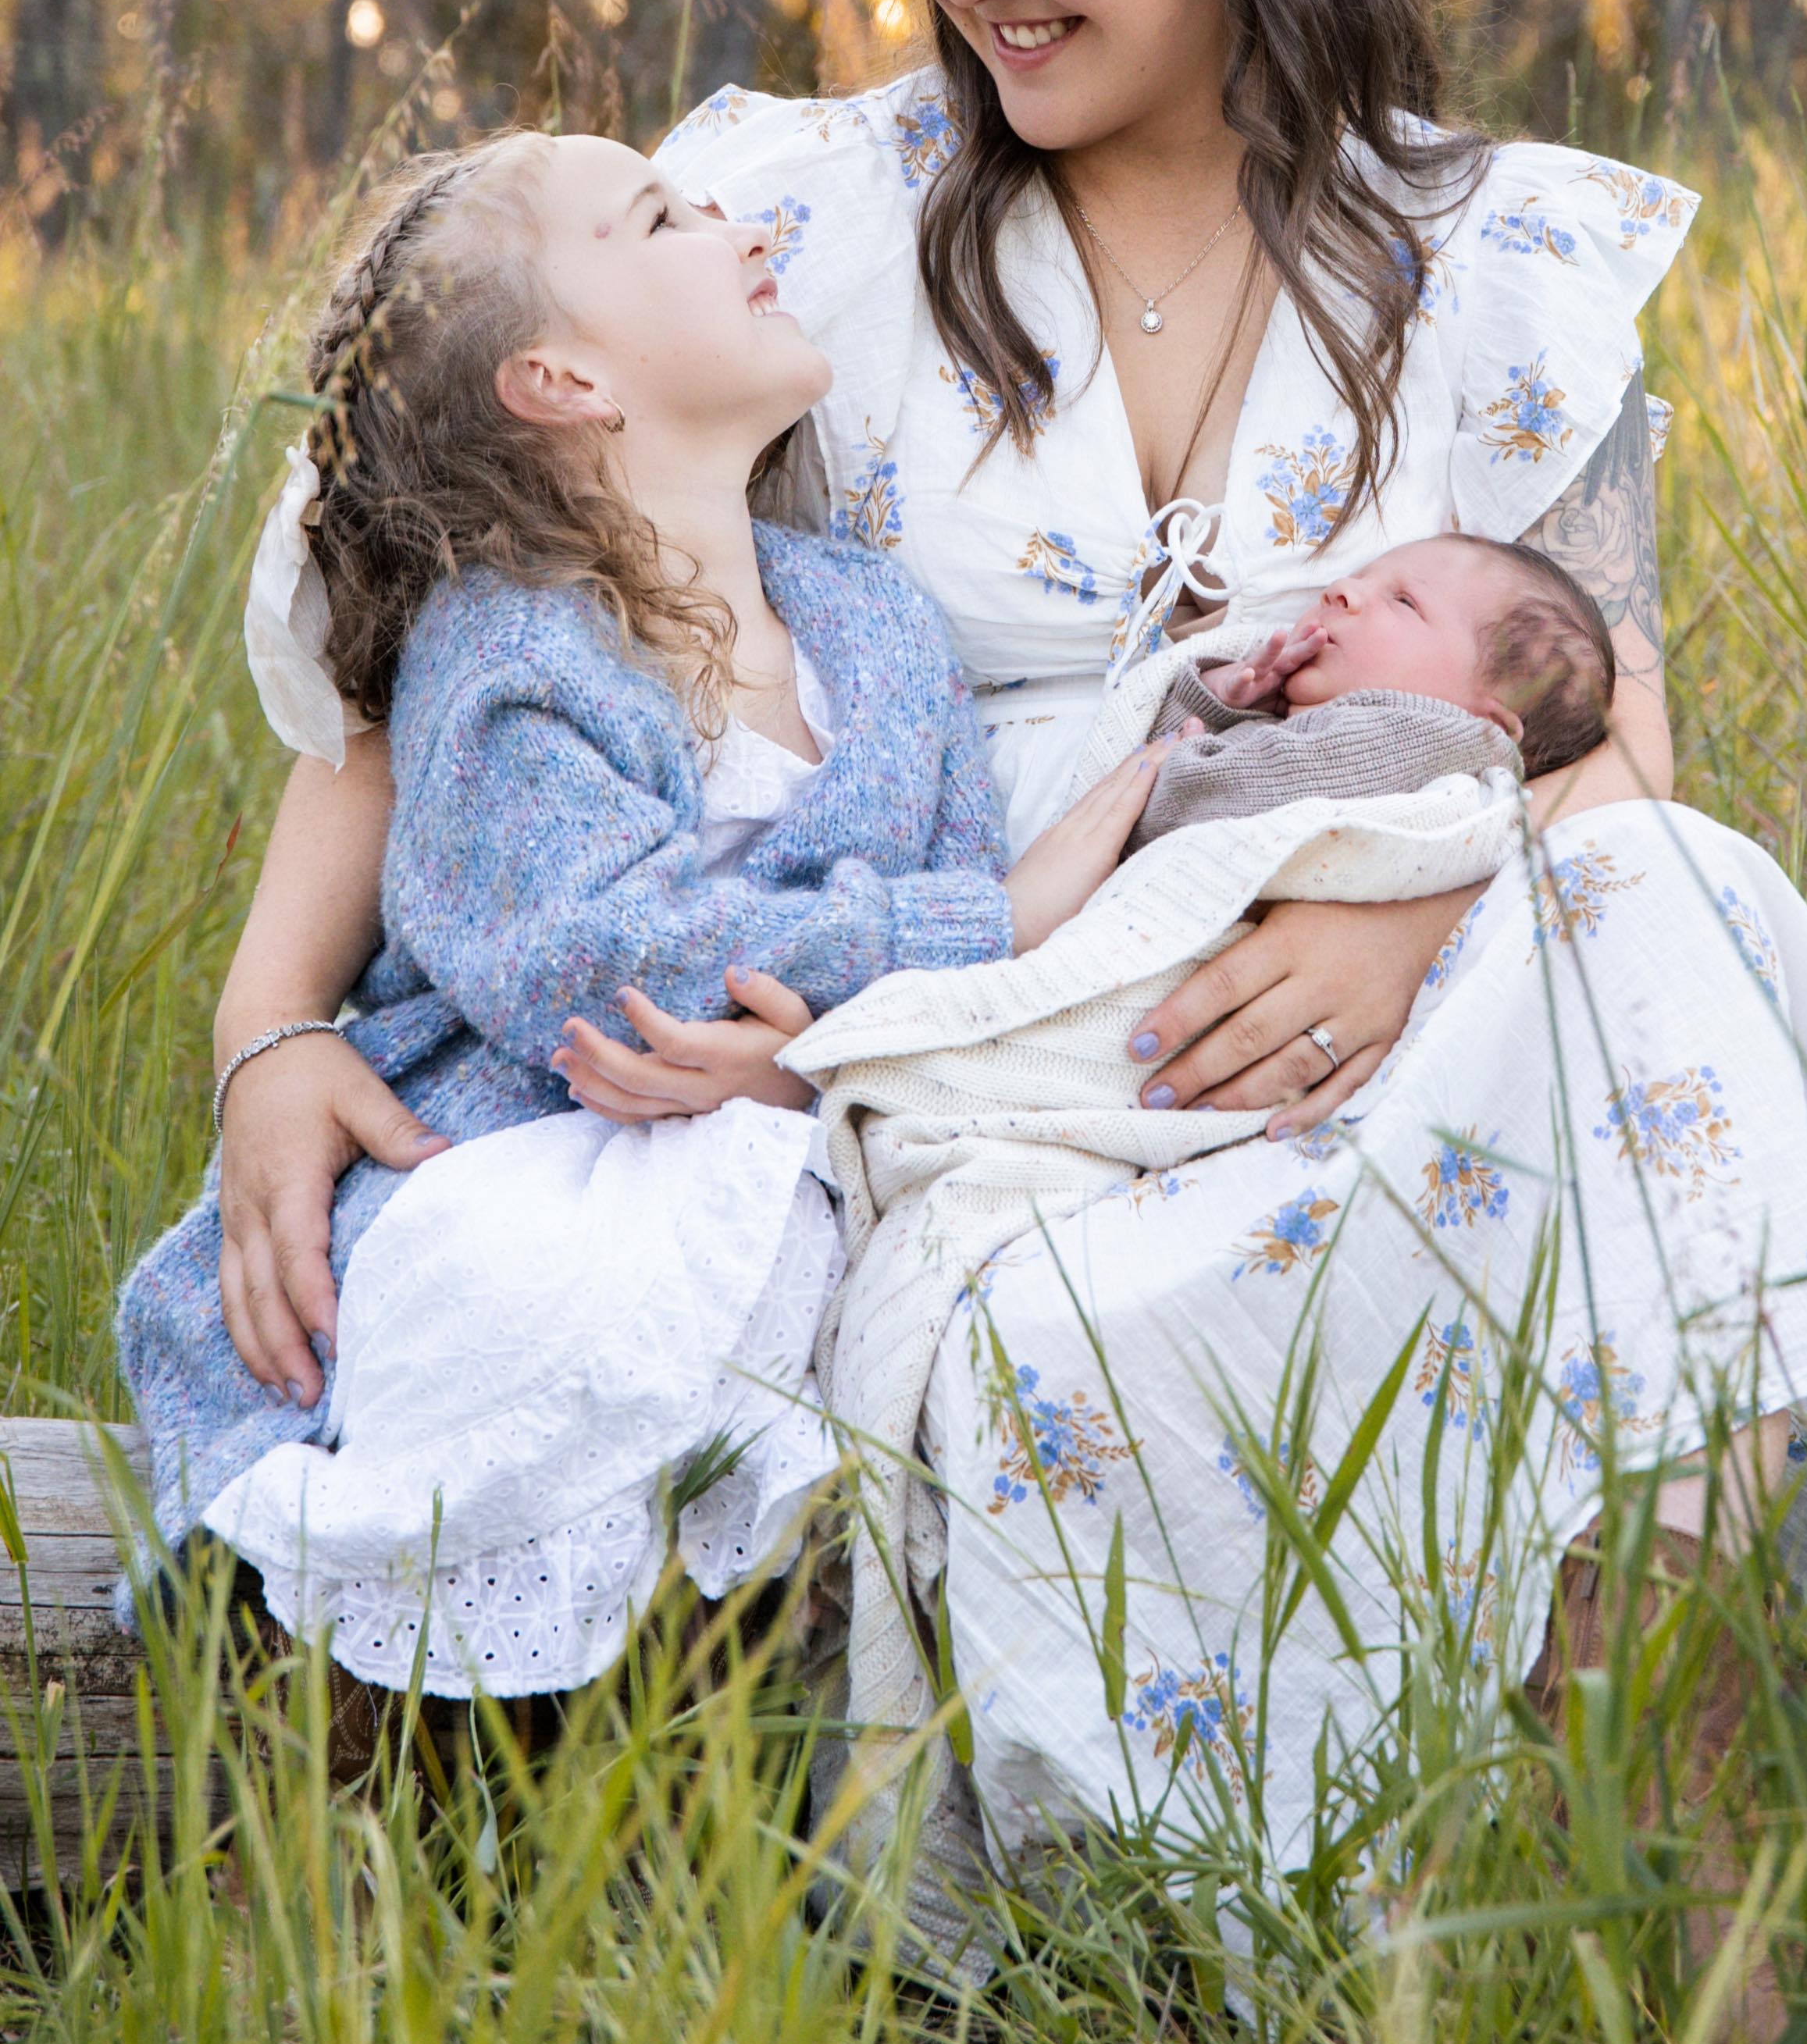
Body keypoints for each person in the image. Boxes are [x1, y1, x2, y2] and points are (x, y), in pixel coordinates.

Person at [197, 0, 1807, 1870]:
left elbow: (1612, 738)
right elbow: (409, 622)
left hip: (1351, 1035)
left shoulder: (1492, 268)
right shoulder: (793, 217)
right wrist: (269, 1029)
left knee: (1672, 883)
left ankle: (1670, 1868)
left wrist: (1394, 923)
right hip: (912, 1057)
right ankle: (1282, 1910)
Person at [118, 126, 1154, 1695]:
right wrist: (981, 921)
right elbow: (585, 962)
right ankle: (368, 1679)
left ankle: (695, 1714)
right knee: (541, 1286)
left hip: (793, 1128)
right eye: (663, 216)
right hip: (539, 1136)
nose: (732, 218)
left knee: (855, 1300)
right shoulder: (514, 645)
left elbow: (932, 908)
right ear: (564, 382)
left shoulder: (871, 623)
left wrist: (835, 1039)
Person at [1125, 535, 1614, 842]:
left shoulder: (1405, 740)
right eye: (1362, 576)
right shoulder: (1329, 735)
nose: (1342, 587)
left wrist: (1176, 754)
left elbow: (1165, 811)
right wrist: (1219, 701)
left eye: (1404, 602)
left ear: (1485, 726)